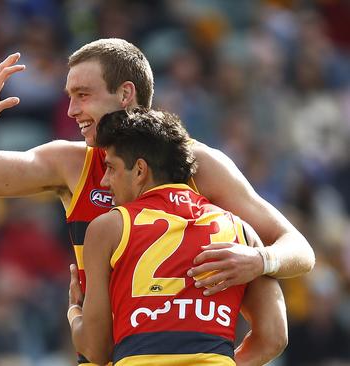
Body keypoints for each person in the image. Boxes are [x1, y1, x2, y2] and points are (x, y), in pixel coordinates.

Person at [0, 37, 308, 365]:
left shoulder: (199, 162)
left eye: (83, 95)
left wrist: (261, 260)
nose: (71, 111)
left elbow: (297, 248)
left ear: (126, 93)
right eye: (69, 97)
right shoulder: (72, 161)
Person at [67, 109, 287, 365]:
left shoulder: (108, 228)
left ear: (140, 170)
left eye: (111, 168)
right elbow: (274, 336)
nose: (104, 181)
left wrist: (74, 311)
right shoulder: (241, 232)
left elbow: (96, 349)